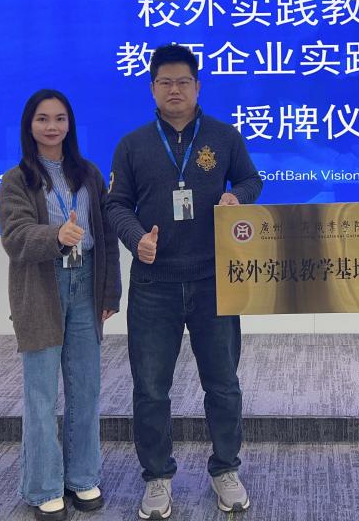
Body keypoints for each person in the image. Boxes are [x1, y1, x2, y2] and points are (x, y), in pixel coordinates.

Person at [106, 44, 263, 519]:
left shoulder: (224, 136)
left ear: (197, 87)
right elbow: (116, 204)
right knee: (151, 388)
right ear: (152, 89)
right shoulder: (133, 144)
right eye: (165, 82)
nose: (174, 90)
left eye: (183, 82)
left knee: (223, 383)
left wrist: (237, 197)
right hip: (154, 285)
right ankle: (157, 476)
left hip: (214, 279)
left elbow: (251, 180)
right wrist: (136, 239)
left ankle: (225, 469)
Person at [0, 89, 121, 521]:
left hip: (86, 284)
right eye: (42, 119)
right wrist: (56, 236)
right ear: (29, 126)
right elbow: (14, 238)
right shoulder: (16, 180)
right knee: (41, 393)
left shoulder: (89, 174)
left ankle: (83, 477)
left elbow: (105, 236)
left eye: (60, 118)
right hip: (41, 287)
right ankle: (45, 486)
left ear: (70, 125)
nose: (52, 127)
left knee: (85, 388)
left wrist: (110, 292)